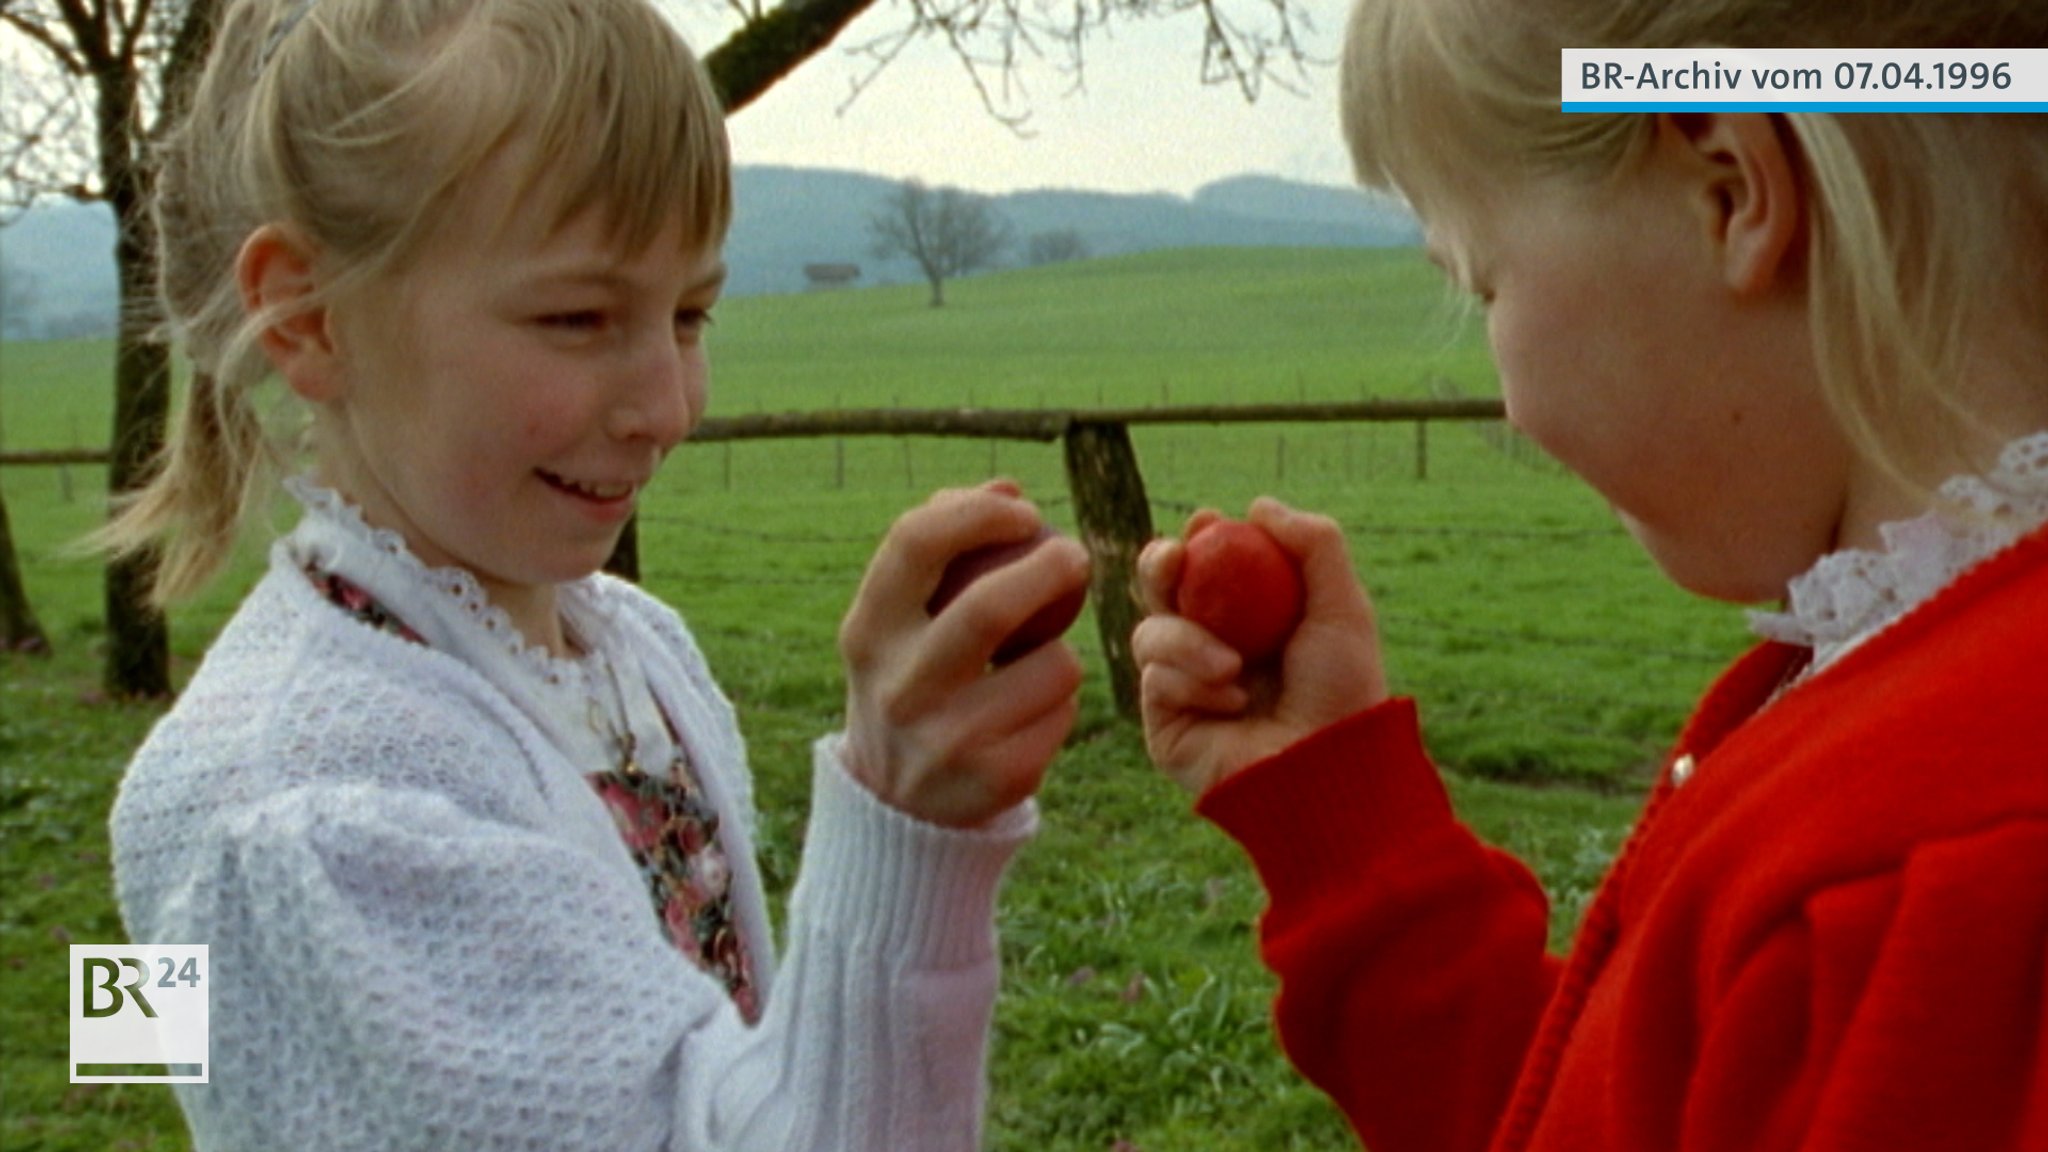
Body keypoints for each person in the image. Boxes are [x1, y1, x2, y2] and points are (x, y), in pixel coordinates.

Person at [103, 0, 1091, 1147]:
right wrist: (900, 824)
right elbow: (181, 1012)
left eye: (688, 312)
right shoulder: (308, 817)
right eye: (577, 316)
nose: (667, 410)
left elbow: (714, 1069)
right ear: (308, 317)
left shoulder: (625, 641)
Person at [1132, 2, 2048, 1150]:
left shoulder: (1943, 870)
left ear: (1729, 190)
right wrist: (1340, 822)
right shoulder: (1921, 703)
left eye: (1486, 285)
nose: (1505, 394)